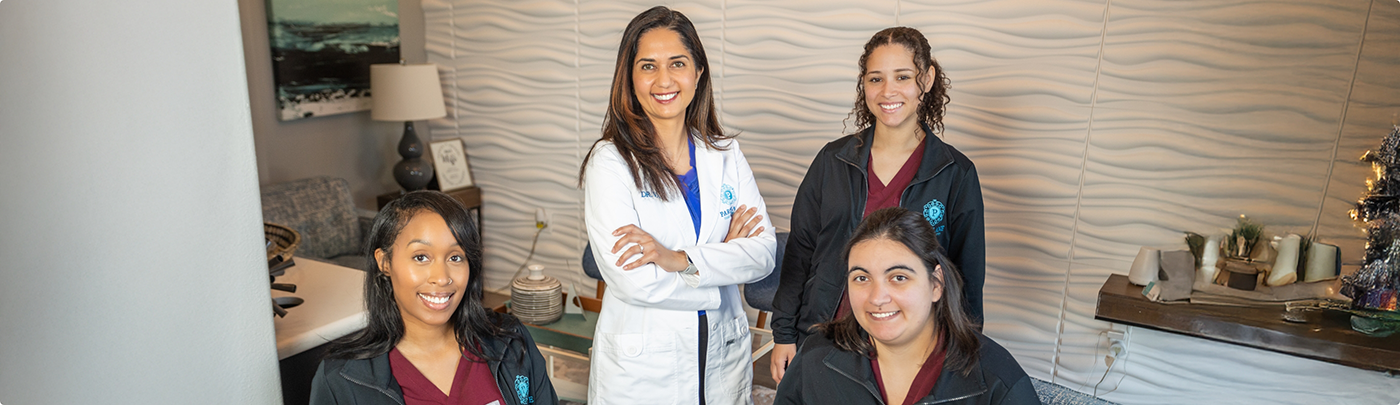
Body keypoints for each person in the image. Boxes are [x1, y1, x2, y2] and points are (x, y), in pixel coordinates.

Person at [578, 5, 776, 404]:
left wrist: (678, 259)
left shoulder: (725, 154)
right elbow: (633, 281)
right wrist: (721, 266)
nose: (664, 80)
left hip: (722, 358)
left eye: (677, 63)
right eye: (648, 66)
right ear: (629, 77)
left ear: (698, 72)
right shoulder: (610, 162)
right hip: (645, 372)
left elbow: (763, 255)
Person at [770, 26, 986, 383]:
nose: (888, 91)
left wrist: (965, 349)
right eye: (876, 79)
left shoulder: (955, 173)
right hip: (825, 334)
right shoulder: (833, 161)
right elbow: (801, 251)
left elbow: (967, 276)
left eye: (902, 77)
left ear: (927, 79)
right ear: (864, 85)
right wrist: (783, 334)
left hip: (910, 347)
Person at [309, 191, 557, 405]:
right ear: (385, 262)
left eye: (455, 257)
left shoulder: (510, 340)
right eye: (421, 257)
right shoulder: (341, 379)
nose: (442, 278)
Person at [774, 207, 1034, 405]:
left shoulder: (997, 382)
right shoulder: (816, 357)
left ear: (936, 284)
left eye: (899, 277)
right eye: (861, 278)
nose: (877, 298)